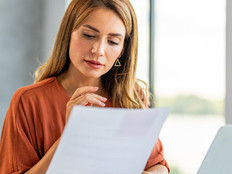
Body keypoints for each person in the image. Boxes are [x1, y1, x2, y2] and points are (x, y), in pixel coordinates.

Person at [0, 0, 169, 173]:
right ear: (68, 34)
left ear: (123, 50)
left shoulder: (129, 97)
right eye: (89, 35)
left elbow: (159, 165)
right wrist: (70, 137)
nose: (98, 50)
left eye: (112, 42)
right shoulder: (28, 101)